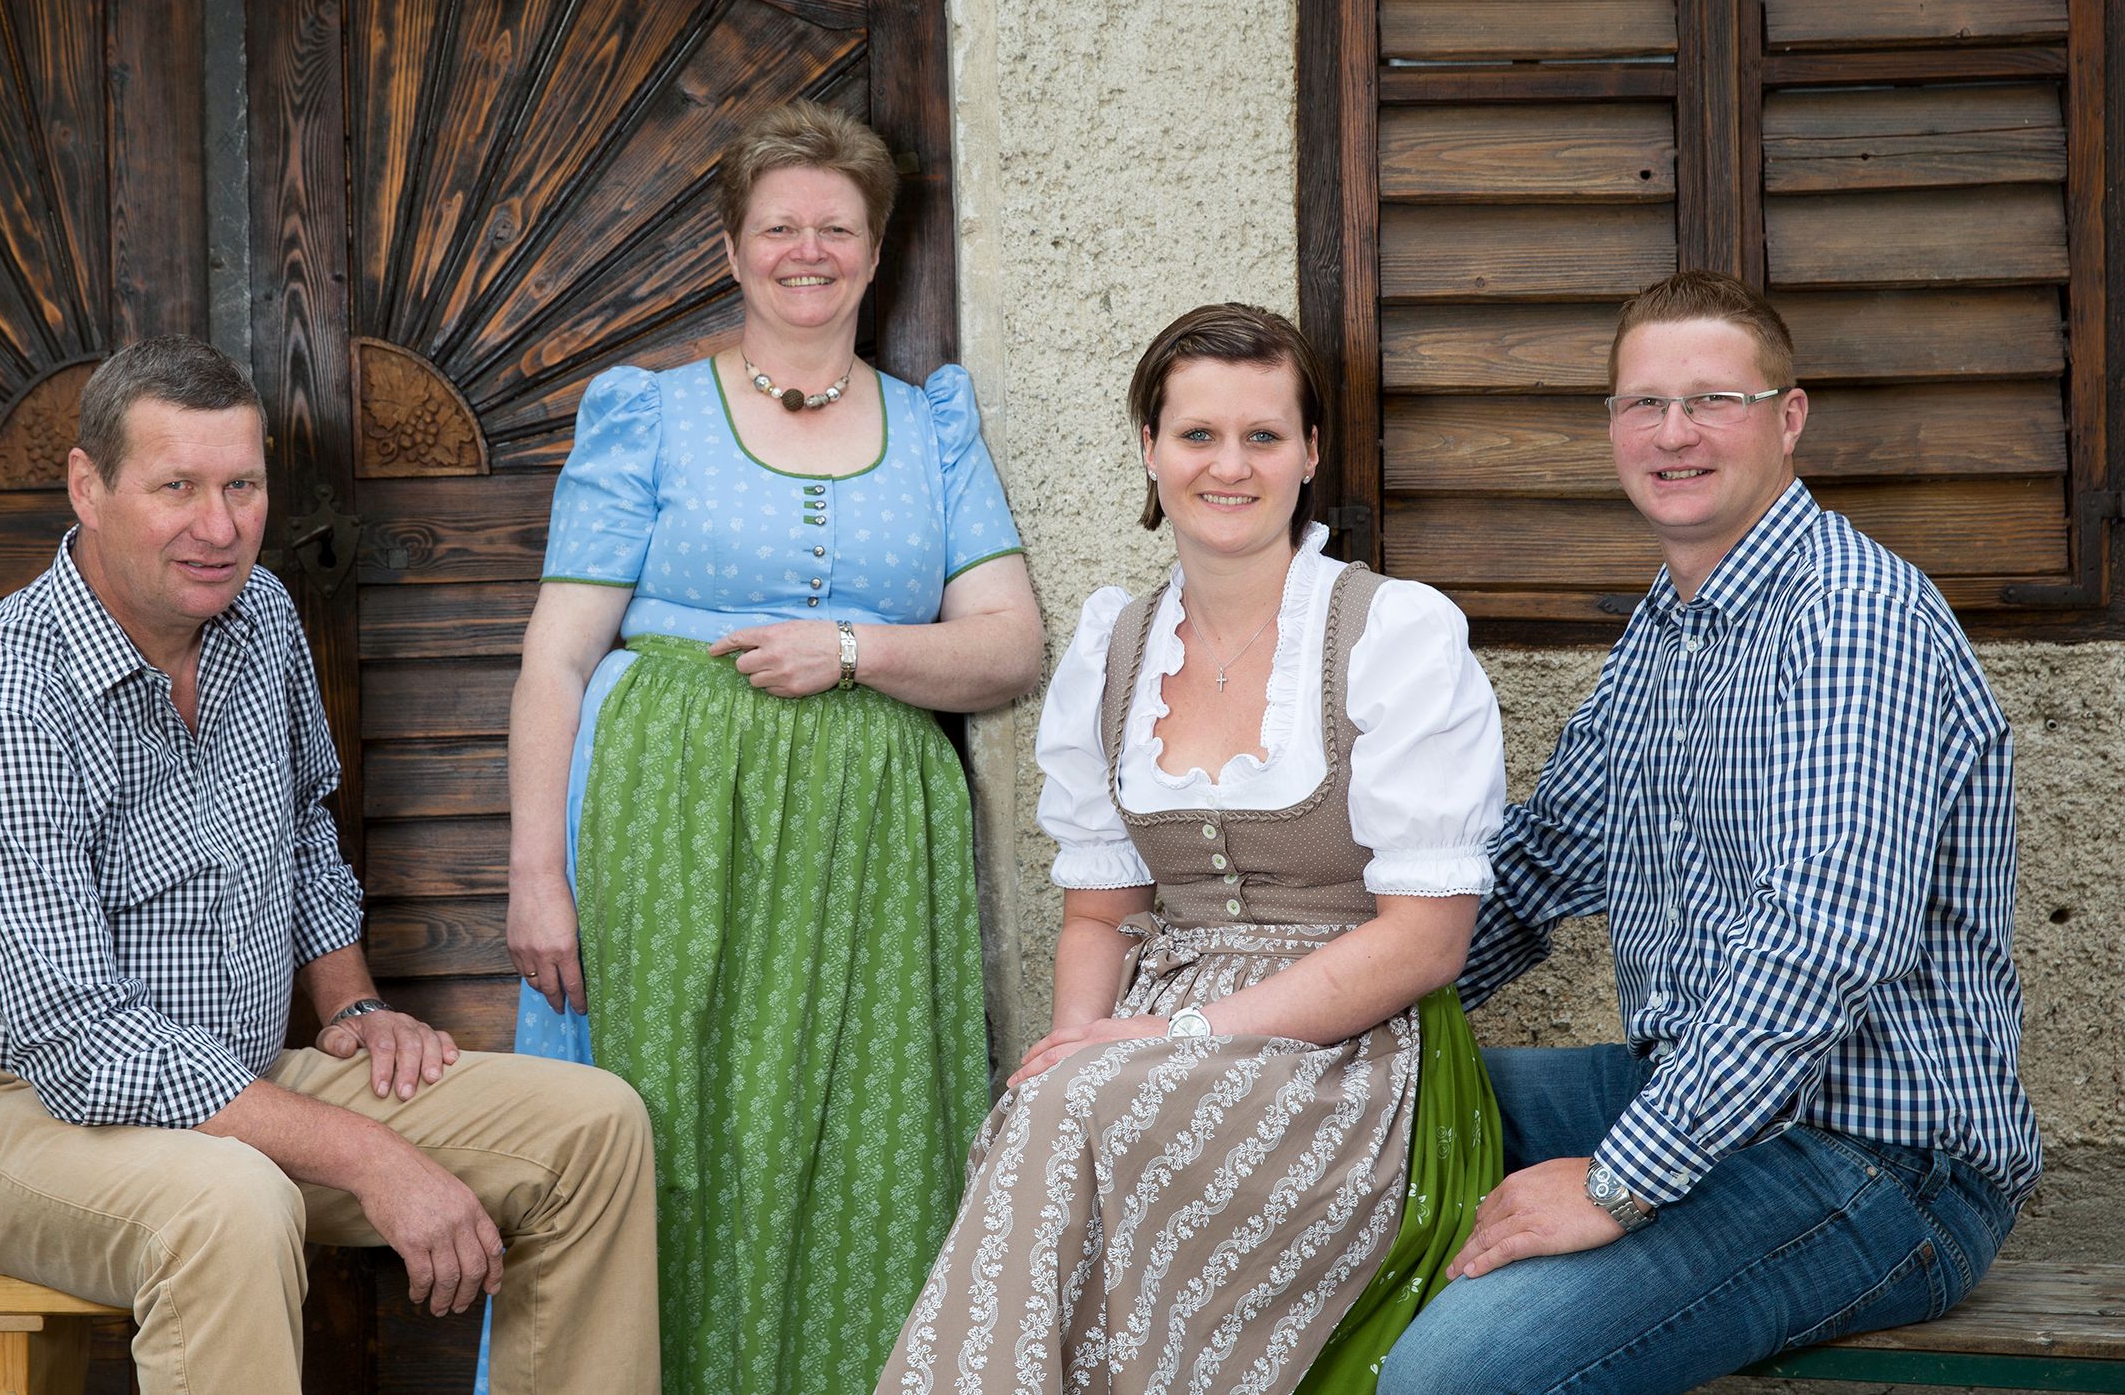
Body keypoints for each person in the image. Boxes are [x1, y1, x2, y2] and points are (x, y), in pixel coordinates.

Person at [0, 337, 657, 1395]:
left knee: (592, 1129)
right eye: (177, 487)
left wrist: (352, 1005)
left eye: (241, 485)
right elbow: (82, 1043)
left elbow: (300, 831)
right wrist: (373, 1154)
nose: (220, 526)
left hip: (235, 1086)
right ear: (87, 487)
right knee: (230, 1201)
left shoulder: (261, 618)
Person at [1379, 271, 2043, 1395]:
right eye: (1645, 403)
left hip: (1878, 1162)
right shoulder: (1670, 626)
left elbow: (1825, 940)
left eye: (1713, 401)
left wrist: (1615, 1181)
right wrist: (1324, 1007)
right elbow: (1541, 863)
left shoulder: (1851, 618)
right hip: (1689, 1088)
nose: (1674, 432)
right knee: (1343, 1117)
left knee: (1454, 1375)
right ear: (1612, 428)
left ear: (1789, 418)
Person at [505, 99, 1045, 1395]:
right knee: (669, 1139)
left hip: (874, 853)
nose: (809, 251)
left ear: (877, 251)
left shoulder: (932, 428)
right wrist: (535, 876)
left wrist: (854, 651)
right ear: (732, 251)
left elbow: (1009, 645)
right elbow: (555, 657)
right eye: (779, 227)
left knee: (871, 1147)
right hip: (667, 831)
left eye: (837, 228)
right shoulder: (647, 418)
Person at [879, 301, 1506, 1395]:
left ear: (1310, 453)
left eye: (1263, 435)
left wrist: (1167, 1037)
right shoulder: (1114, 647)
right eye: (1197, 434)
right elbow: (1100, 914)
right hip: (1147, 1037)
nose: (1229, 465)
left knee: (1073, 1111)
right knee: (1045, 1108)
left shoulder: (1394, 634)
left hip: (1351, 1057)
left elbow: (1424, 943)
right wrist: (1078, 1042)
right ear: (1150, 448)